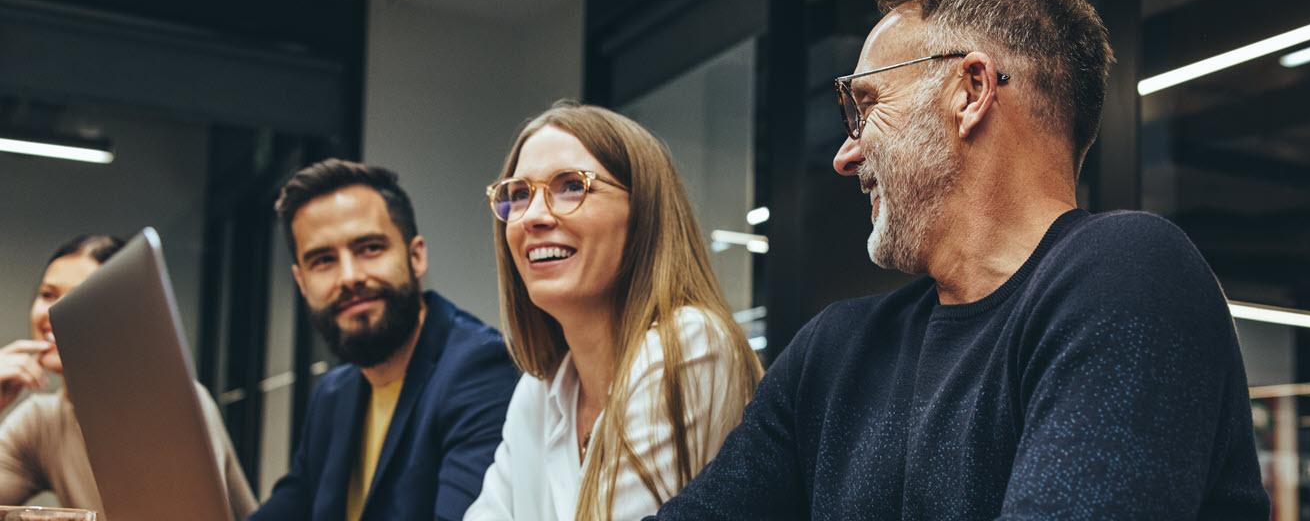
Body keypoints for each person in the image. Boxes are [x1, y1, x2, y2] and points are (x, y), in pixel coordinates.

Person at [655, 0, 1270, 519]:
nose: (847, 154)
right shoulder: (834, 353)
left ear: (970, 91)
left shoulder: (1131, 275)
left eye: (865, 106)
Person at [464, 102, 763, 521]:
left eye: (571, 186)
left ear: (643, 213)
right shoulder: (541, 392)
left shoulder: (691, 344)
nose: (532, 216)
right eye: (518, 194)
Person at [251, 160, 519, 521]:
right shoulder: (333, 394)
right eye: (323, 260)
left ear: (416, 256)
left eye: (370, 248)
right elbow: (290, 506)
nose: (349, 277)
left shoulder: (481, 370)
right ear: (301, 282)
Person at [0, 235, 257, 519]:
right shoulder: (40, 421)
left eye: (76, 297)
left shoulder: (175, 402)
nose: (53, 313)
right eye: (48, 294)